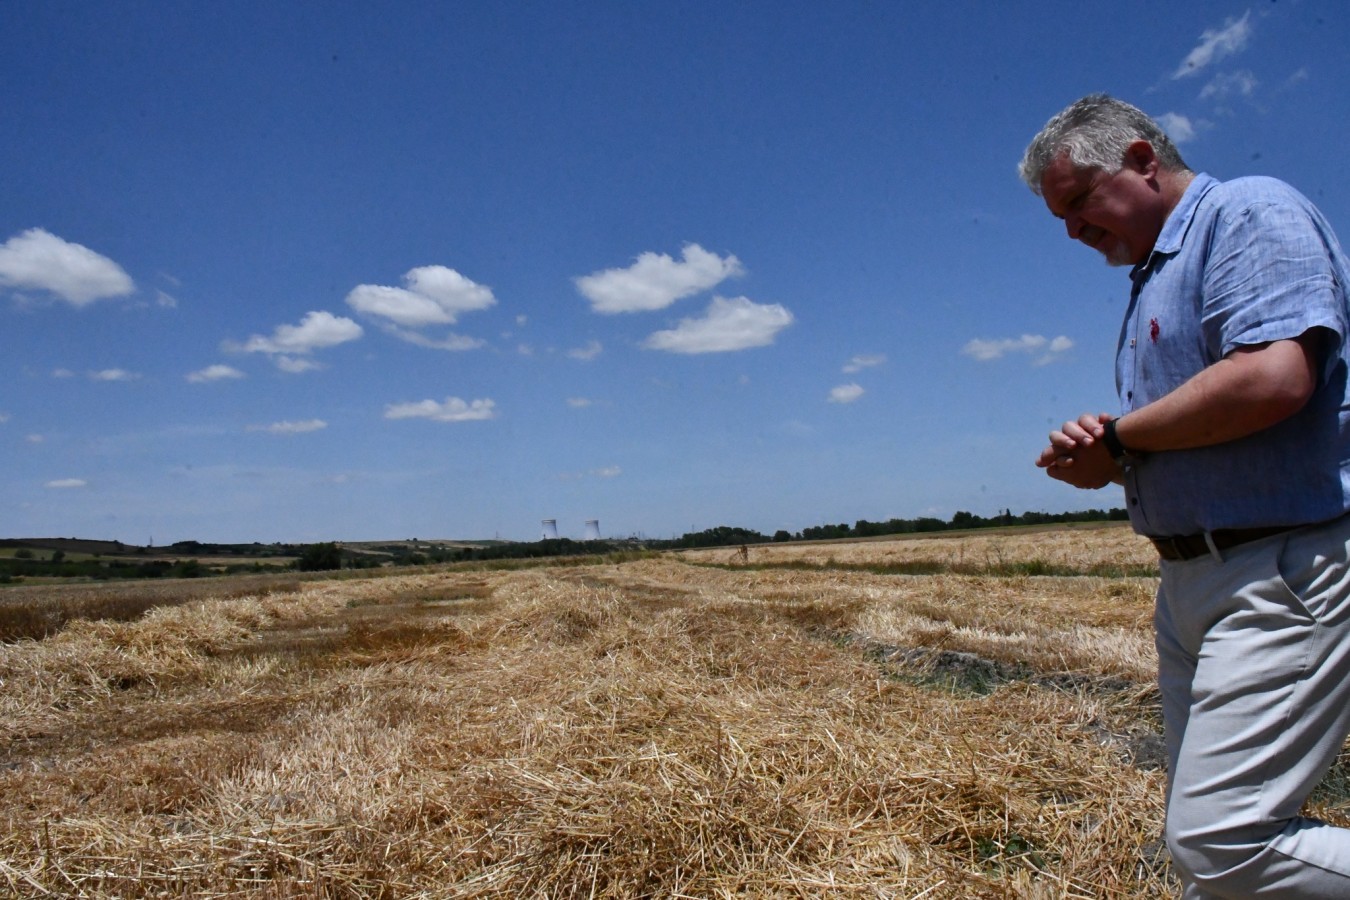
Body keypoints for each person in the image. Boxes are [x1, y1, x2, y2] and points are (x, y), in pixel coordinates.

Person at [1019, 94, 1350, 898]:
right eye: (1058, 215)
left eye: (1078, 202)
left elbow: (1273, 379)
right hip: (1193, 581)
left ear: (1139, 159)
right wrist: (1108, 454)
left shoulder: (1248, 212)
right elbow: (1186, 426)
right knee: (1201, 850)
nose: (1071, 230)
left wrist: (1124, 439)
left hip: (1281, 567)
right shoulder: (1150, 279)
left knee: (1224, 841)